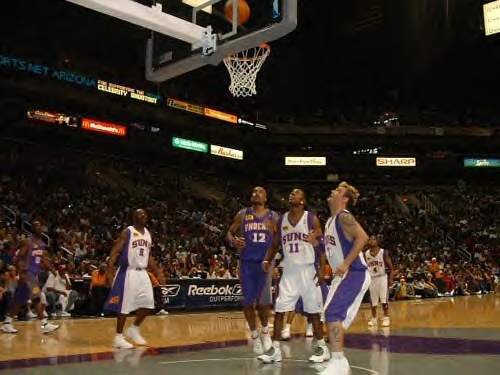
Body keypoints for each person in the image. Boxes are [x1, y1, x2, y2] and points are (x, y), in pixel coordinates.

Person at [258, 188, 330, 364]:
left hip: (308, 270)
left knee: (313, 311)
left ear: (303, 200)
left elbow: (322, 244)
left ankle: (322, 347)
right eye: (290, 193)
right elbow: (275, 243)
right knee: (281, 309)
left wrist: (322, 268)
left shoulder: (310, 218)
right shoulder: (282, 219)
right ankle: (275, 349)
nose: (291, 194)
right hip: (289, 271)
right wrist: (267, 260)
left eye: (296, 193)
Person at [320, 182, 371, 374]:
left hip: (354, 272)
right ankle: (337, 359)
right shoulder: (330, 221)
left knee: (333, 313)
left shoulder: (344, 216)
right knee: (331, 315)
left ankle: (338, 361)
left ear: (344, 199)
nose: (333, 191)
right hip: (343, 275)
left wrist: (346, 263)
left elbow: (363, 237)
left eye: (338, 191)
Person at [227, 186, 279, 354]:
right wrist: (234, 241)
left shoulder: (273, 216)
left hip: (265, 262)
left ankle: (265, 331)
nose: (255, 193)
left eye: (260, 192)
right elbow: (229, 233)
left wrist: (275, 262)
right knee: (248, 302)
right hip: (247, 262)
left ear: (266, 198)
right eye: (253, 191)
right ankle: (254, 335)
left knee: (264, 303)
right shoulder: (243, 214)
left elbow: (278, 241)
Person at [104, 209, 165, 349]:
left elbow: (149, 256)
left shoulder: (148, 234)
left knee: (149, 303)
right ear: (134, 217)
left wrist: (158, 272)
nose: (143, 216)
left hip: (143, 272)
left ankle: (134, 328)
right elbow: (115, 250)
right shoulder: (128, 231)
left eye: (145, 214)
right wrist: (109, 270)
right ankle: (118, 337)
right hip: (128, 271)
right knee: (124, 305)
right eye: (140, 214)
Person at [1, 220, 59, 334]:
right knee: (36, 296)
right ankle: (44, 323)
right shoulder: (27, 242)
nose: (39, 228)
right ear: (32, 228)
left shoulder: (42, 244)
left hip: (33, 274)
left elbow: (42, 259)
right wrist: (21, 271)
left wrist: (51, 268)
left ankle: (7, 323)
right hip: (27, 274)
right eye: (36, 226)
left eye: (40, 226)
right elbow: (18, 257)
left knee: (19, 300)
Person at [364, 235, 394, 327]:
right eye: (369, 239)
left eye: (373, 239)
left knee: (384, 300)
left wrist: (391, 278)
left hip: (382, 277)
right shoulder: (366, 253)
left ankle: (386, 318)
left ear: (377, 241)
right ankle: (374, 319)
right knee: (373, 301)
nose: (371, 241)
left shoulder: (383, 252)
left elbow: (391, 268)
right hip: (372, 278)